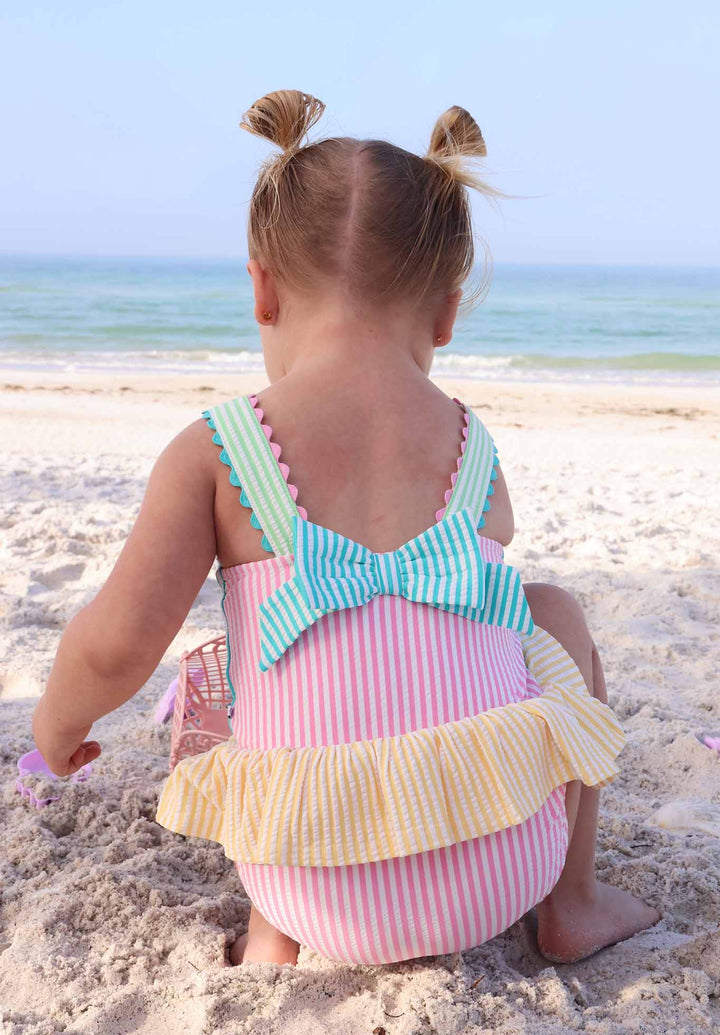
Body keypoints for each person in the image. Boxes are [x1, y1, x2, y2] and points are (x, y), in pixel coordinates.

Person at [32, 90, 660, 968]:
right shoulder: (473, 444)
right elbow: (475, 634)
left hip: (309, 882)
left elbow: (116, 645)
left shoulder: (218, 449)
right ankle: (574, 901)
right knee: (547, 609)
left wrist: (57, 728)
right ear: (445, 311)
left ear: (261, 288)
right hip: (504, 867)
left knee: (221, 670)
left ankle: (271, 934)